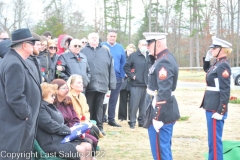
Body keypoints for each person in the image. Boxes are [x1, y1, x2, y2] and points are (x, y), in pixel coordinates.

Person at [0, 28, 41, 156]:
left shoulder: (16, 59)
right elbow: (15, 96)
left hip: (20, 122)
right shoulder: (14, 63)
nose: (34, 46)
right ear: (24, 45)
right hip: (16, 123)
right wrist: (26, 113)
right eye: (32, 43)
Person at [142, 32, 180, 160]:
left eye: (149, 44)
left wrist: (158, 116)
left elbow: (164, 92)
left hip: (161, 112)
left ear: (158, 43)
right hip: (160, 108)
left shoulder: (164, 61)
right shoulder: (162, 58)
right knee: (163, 149)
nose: (147, 47)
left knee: (160, 152)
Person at [37, 82, 94, 160]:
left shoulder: (50, 106)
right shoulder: (41, 107)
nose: (54, 97)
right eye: (52, 95)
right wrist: (69, 130)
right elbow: (49, 125)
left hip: (60, 138)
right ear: (44, 94)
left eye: (55, 95)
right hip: (50, 141)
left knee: (87, 146)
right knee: (81, 150)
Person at [200, 36, 232, 160]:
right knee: (212, 139)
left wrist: (221, 110)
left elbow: (225, 90)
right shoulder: (217, 63)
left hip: (216, 107)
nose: (211, 50)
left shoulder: (223, 65)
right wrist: (207, 60)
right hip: (211, 104)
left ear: (222, 49)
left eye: (214, 48)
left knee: (214, 140)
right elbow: (208, 71)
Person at [51, 79, 99, 155]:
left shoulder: (68, 100)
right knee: (89, 140)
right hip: (63, 132)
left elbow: (75, 118)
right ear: (56, 90)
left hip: (74, 130)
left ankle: (91, 157)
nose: (67, 90)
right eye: (64, 88)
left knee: (94, 135)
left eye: (67, 88)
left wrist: (77, 129)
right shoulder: (52, 103)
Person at [81, 32, 116, 135]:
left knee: (100, 107)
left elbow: (111, 68)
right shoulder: (83, 51)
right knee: (89, 106)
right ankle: (89, 127)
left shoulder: (105, 52)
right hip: (89, 85)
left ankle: (99, 127)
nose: (94, 39)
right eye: (92, 38)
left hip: (102, 84)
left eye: (96, 38)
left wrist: (111, 84)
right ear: (88, 40)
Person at [124, 40, 151, 129]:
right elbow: (126, 67)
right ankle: (132, 121)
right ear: (139, 45)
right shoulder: (133, 56)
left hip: (146, 84)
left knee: (144, 105)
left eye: (146, 45)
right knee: (134, 104)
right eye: (143, 45)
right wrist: (132, 76)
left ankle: (142, 121)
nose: (145, 46)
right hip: (135, 84)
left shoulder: (149, 56)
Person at [101, 30, 126, 127]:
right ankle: (102, 117)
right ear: (107, 36)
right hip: (104, 77)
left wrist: (122, 76)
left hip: (117, 77)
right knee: (103, 99)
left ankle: (111, 119)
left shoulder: (120, 47)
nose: (112, 38)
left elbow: (124, 62)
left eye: (114, 36)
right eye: (111, 36)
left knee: (114, 99)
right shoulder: (102, 46)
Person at [118, 44, 136, 122]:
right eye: (129, 50)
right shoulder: (123, 57)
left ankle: (131, 116)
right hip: (123, 81)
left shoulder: (135, 58)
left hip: (132, 81)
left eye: (132, 51)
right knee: (122, 99)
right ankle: (122, 117)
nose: (130, 52)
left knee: (132, 100)